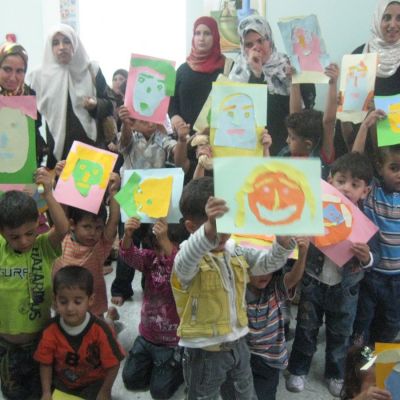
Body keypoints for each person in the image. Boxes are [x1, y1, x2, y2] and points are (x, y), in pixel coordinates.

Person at [171, 176, 296, 399]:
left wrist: (283, 243)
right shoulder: (186, 257)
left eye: (227, 226)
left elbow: (266, 264)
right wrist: (208, 230)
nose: (223, 235)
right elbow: (187, 260)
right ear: (192, 227)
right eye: (215, 230)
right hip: (205, 351)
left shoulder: (233, 249)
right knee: (202, 395)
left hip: (239, 342)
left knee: (243, 394)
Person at [285, 152, 380, 398]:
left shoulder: (365, 222)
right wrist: (303, 236)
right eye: (341, 181)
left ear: (365, 191)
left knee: (340, 334)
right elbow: (295, 239)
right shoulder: (315, 210)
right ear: (329, 181)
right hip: (313, 282)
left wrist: (366, 256)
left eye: (355, 184)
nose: (346, 188)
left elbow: (374, 257)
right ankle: (298, 369)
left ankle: (335, 373)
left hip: (345, 289)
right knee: (306, 328)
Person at [0, 169, 69, 400]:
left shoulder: (42, 246)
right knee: (13, 393)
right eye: (15, 237)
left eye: (29, 233)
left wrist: (48, 193)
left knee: (43, 391)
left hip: (42, 339)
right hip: (6, 345)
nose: (24, 241)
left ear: (37, 225)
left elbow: (62, 229)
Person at [110, 106, 178, 305]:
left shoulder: (161, 136)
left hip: (155, 194)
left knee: (151, 242)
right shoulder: (129, 135)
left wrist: (183, 140)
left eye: (153, 118)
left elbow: (173, 148)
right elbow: (123, 144)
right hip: (132, 191)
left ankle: (148, 282)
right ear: (133, 122)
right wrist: (125, 123)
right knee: (128, 239)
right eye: (143, 119)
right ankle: (121, 288)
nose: (149, 121)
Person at [29, 24, 115, 168]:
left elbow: (110, 105)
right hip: (58, 154)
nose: (62, 47)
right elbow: (32, 121)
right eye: (55, 43)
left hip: (91, 150)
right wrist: (40, 146)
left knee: (92, 189)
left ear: (75, 43)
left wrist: (95, 105)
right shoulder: (39, 77)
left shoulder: (91, 69)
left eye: (67, 41)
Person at [119, 218, 187, 399]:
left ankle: (180, 366)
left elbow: (180, 268)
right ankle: (156, 365)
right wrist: (128, 235)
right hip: (147, 335)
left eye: (166, 244)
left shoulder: (187, 264)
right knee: (130, 380)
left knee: (160, 392)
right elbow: (128, 254)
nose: (161, 252)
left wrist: (165, 241)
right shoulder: (151, 259)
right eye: (157, 246)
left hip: (172, 341)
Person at [229, 14, 315, 155]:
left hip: (285, 149)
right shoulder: (238, 73)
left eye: (260, 41)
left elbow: (307, 108)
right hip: (250, 149)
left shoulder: (288, 64)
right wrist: (256, 74)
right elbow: (240, 113)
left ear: (269, 40)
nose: (256, 48)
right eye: (249, 45)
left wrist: (296, 79)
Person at [34, 266, 125, 400]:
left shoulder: (100, 330)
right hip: (62, 383)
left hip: (93, 384)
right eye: (63, 301)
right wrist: (46, 392)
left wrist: (105, 391)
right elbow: (45, 363)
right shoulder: (50, 330)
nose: (70, 308)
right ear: (55, 300)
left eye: (77, 302)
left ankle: (110, 318)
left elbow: (114, 363)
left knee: (108, 329)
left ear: (90, 300)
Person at [53, 165, 120, 320]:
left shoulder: (100, 245)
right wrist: (60, 180)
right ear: (72, 224)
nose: (93, 233)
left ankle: (110, 318)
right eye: (87, 227)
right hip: (65, 304)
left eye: (98, 228)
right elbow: (60, 210)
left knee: (98, 338)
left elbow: (114, 220)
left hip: (94, 307)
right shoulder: (63, 237)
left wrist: (114, 192)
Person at [169, 16, 232, 180]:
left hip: (218, 144)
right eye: (197, 33)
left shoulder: (228, 69)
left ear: (216, 37)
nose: (201, 38)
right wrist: (175, 117)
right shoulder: (183, 70)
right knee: (191, 195)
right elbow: (171, 101)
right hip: (187, 143)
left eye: (207, 33)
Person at [247, 237, 310, 400]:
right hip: (243, 358)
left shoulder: (274, 287)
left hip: (270, 360)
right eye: (258, 269)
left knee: (266, 395)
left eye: (268, 268)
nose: (264, 274)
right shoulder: (238, 290)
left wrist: (303, 254)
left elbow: (293, 277)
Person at [351, 140, 400, 345]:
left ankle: (381, 369)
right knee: (361, 322)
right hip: (371, 274)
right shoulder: (371, 192)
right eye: (394, 168)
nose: (399, 174)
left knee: (391, 323)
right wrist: (368, 124)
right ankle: (357, 366)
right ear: (379, 168)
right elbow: (354, 163)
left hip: (397, 279)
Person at [341, 0, 400, 152]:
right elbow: (349, 113)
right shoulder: (360, 56)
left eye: (399, 18)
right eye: (386, 17)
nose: (393, 24)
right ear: (376, 19)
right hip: (363, 144)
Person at [0, 41, 47, 166]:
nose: (13, 77)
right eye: (7, 69)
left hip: (21, 168)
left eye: (19, 71)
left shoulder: (29, 95)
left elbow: (34, 132)